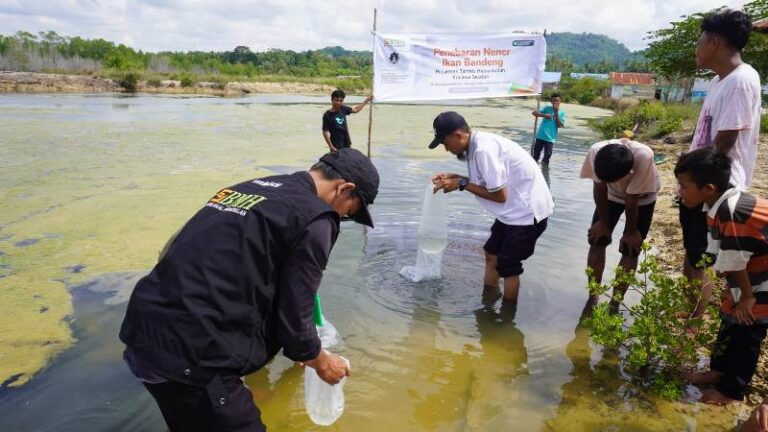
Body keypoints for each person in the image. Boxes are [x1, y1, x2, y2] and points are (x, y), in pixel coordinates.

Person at [119, 148, 379, 431]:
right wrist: (318, 359)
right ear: (345, 188)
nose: (340, 217)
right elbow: (295, 314)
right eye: (349, 213)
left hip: (143, 333)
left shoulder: (246, 189)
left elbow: (172, 250)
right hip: (193, 355)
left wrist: (298, 348)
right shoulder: (317, 218)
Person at [680, 8, 762, 318]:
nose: (696, 49)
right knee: (693, 252)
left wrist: (698, 187)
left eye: (699, 41)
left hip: (714, 188)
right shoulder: (719, 81)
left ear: (714, 43)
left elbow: (724, 142)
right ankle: (688, 314)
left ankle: (694, 322)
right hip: (698, 184)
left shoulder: (741, 80)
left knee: (705, 259)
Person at [429, 111, 554, 303]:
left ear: (458, 135)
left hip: (526, 213)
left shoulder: (483, 150)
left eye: (445, 143)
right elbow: (489, 183)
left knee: (508, 266)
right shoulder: (474, 146)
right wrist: (458, 177)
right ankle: (488, 302)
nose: (446, 149)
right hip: (512, 212)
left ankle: (505, 319)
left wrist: (461, 184)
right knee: (492, 254)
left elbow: (500, 196)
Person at [676, 149, 768, 405]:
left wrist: (747, 297)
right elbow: (727, 257)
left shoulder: (731, 211)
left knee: (748, 328)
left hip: (762, 273)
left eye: (684, 187)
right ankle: (718, 370)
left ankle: (732, 391)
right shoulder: (717, 206)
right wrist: (735, 292)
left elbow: (736, 260)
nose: (680, 192)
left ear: (707, 188)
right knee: (729, 315)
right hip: (755, 265)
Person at [580, 131, 660, 310]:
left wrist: (631, 232)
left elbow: (632, 198)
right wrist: (604, 223)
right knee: (597, 240)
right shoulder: (596, 151)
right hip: (610, 196)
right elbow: (599, 188)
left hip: (642, 198)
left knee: (631, 249)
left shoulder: (643, 156)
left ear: (628, 172)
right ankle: (593, 297)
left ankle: (615, 303)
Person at [531, 93, 566, 165]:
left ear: (560, 101)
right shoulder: (547, 108)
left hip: (550, 139)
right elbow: (534, 113)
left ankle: (544, 172)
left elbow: (560, 125)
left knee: (547, 158)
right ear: (551, 101)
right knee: (535, 158)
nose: (555, 102)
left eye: (557, 100)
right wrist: (544, 115)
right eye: (553, 100)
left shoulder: (562, 113)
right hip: (540, 136)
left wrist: (556, 113)